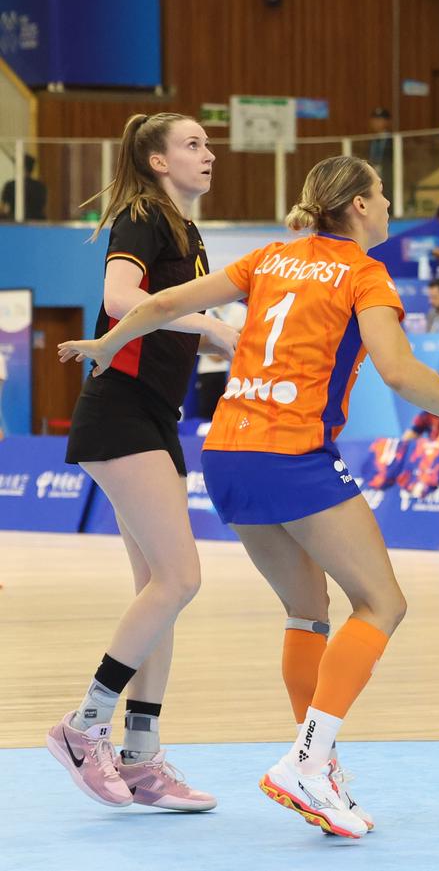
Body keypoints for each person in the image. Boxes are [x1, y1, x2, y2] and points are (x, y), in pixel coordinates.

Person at [59, 155, 439, 838]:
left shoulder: (271, 257)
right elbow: (400, 371)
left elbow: (164, 302)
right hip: (291, 451)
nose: (388, 208)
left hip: (226, 452)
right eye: (382, 195)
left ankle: (320, 765)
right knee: (382, 602)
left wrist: (109, 342)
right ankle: (307, 760)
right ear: (360, 206)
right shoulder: (364, 273)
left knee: (307, 610)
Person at [47, 113, 234, 814]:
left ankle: (142, 755)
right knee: (181, 576)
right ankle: (82, 724)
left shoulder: (189, 233)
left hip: (155, 415)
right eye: (192, 143)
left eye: (206, 143)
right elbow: (118, 299)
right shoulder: (141, 217)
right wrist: (208, 323)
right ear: (157, 161)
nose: (207, 152)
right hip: (119, 410)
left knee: (160, 590)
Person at [0, 152, 48, 220]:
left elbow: (3, 208)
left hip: (13, 224)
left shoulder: (10, 185)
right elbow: (45, 210)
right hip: (36, 224)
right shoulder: (40, 186)